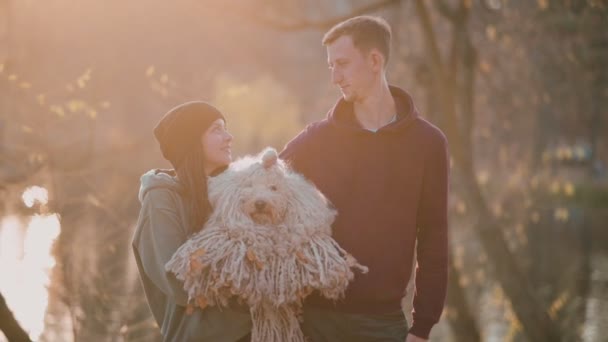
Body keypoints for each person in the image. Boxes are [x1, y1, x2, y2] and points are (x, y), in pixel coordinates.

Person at [280, 16, 449, 342]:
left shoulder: (428, 143)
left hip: (382, 324)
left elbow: (434, 239)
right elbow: (261, 183)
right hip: (312, 321)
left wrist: (422, 327)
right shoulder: (316, 139)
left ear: (375, 60)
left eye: (342, 64)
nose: (335, 77)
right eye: (330, 66)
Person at [132, 101, 252, 342]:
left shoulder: (232, 194)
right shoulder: (160, 199)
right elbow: (177, 279)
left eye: (225, 128)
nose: (229, 137)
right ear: (191, 141)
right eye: (216, 129)